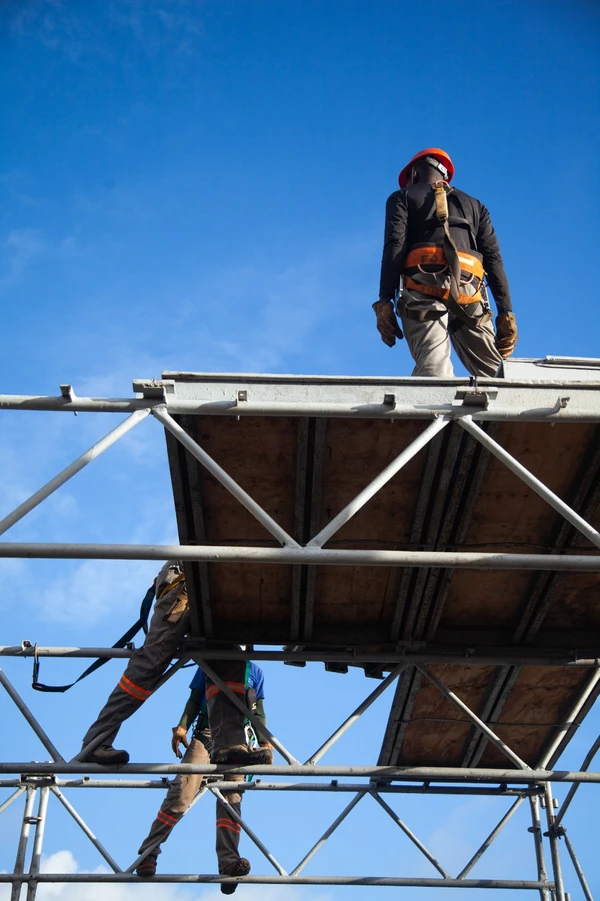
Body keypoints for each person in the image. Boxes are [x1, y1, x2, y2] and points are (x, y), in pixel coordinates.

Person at [79, 560, 271, 769]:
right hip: (184, 586)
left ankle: (228, 744)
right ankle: (96, 743)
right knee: (148, 666)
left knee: (230, 661)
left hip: (217, 588)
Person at [374, 147, 518, 377]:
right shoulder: (476, 206)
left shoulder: (402, 197)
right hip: (470, 292)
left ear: (414, 174)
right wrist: (506, 312)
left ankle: (434, 411)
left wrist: (384, 300)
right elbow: (493, 259)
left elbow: (394, 246)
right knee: (496, 374)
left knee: (434, 368)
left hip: (423, 285)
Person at [135, 662, 272, 894]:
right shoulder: (209, 662)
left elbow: (258, 711)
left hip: (240, 739)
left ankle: (229, 863)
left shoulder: (254, 671)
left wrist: (265, 742)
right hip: (209, 735)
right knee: (183, 789)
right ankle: (149, 852)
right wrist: (182, 726)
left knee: (232, 800)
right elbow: (195, 698)